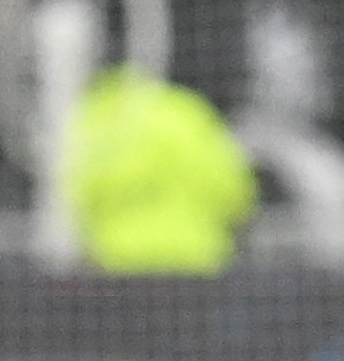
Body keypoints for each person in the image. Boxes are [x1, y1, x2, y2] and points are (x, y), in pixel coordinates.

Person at [64, 63, 255, 272]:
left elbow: (78, 196)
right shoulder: (188, 111)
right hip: (196, 262)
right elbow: (235, 192)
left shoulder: (94, 118)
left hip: (118, 264)